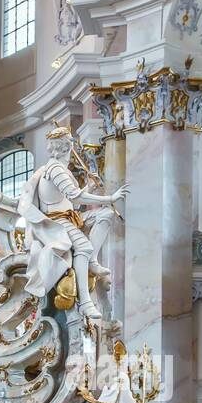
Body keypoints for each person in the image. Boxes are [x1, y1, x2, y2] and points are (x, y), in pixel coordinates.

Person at [17, 126, 127, 320]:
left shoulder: (58, 169)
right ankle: (85, 302)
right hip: (59, 221)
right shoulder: (56, 169)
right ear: (67, 147)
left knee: (106, 216)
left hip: (70, 217)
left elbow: (70, 199)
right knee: (83, 246)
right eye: (71, 144)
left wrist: (89, 186)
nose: (73, 147)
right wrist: (110, 197)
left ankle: (92, 262)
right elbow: (75, 195)